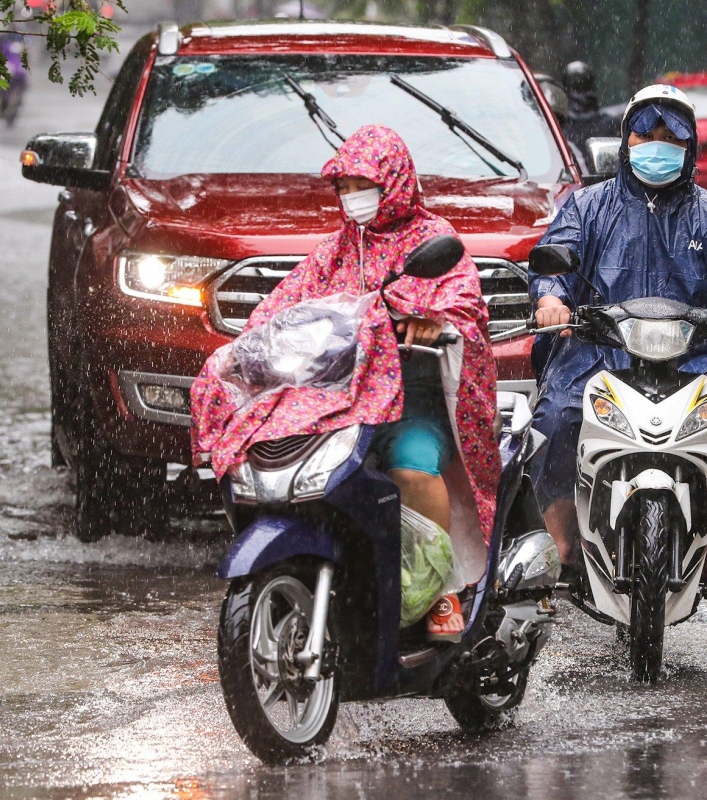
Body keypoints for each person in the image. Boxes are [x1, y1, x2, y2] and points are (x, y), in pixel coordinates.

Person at [193, 125, 502, 639]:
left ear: (395, 180)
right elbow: (284, 306)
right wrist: (247, 350)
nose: (353, 197)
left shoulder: (432, 240)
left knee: (413, 467)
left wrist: (432, 319)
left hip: (412, 398)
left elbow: (466, 307)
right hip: (338, 401)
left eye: (364, 184)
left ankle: (442, 594)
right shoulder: (336, 249)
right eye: (344, 186)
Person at [528, 85, 707, 603]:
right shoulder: (587, 205)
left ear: (690, 148)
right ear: (626, 139)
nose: (657, 144)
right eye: (647, 133)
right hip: (598, 349)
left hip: (695, 354)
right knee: (554, 419)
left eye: (672, 136)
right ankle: (564, 547)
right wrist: (550, 300)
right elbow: (552, 258)